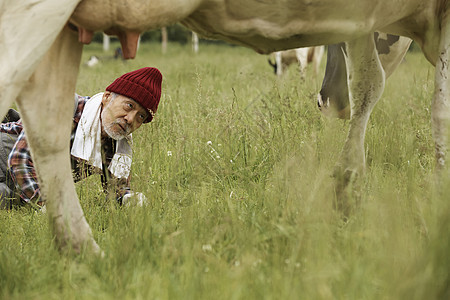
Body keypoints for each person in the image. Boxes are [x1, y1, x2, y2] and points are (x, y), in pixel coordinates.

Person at [0, 67, 162, 209]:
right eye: (129, 106)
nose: (130, 119)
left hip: (20, 187)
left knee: (5, 198)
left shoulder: (116, 142)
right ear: (106, 97)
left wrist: (128, 199)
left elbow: (115, 187)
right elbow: (19, 159)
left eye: (140, 116)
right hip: (4, 157)